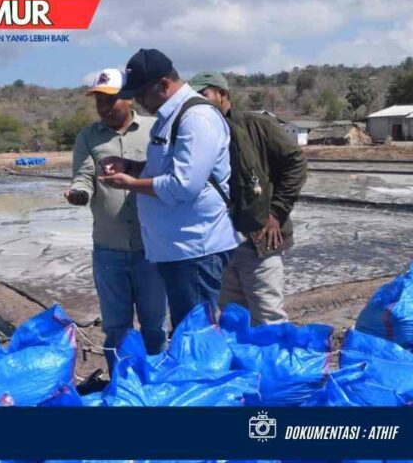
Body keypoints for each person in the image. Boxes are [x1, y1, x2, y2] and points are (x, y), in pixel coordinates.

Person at [98, 49, 239, 329]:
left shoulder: (196, 118)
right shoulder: (170, 117)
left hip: (194, 249)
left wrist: (131, 184)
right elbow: (164, 170)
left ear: (163, 84)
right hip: (176, 249)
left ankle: (200, 374)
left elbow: (183, 185)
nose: (137, 100)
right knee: (187, 330)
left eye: (141, 93)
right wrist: (130, 166)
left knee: (195, 334)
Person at [66, 67, 167, 372]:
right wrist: (79, 193)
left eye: (111, 101)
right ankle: (119, 385)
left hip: (152, 247)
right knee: (116, 326)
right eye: (99, 102)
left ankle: (154, 384)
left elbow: (168, 173)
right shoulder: (89, 136)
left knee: (154, 325)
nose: (105, 108)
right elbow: (83, 176)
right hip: (109, 248)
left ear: (128, 100)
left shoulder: (154, 129)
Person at [188, 71, 307, 324]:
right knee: (230, 318)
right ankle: (246, 364)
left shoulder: (257, 126)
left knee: (267, 315)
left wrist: (275, 212)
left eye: (203, 95)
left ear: (222, 95)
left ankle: (274, 363)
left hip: (259, 241)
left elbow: (295, 163)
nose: (197, 103)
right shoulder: (199, 135)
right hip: (220, 245)